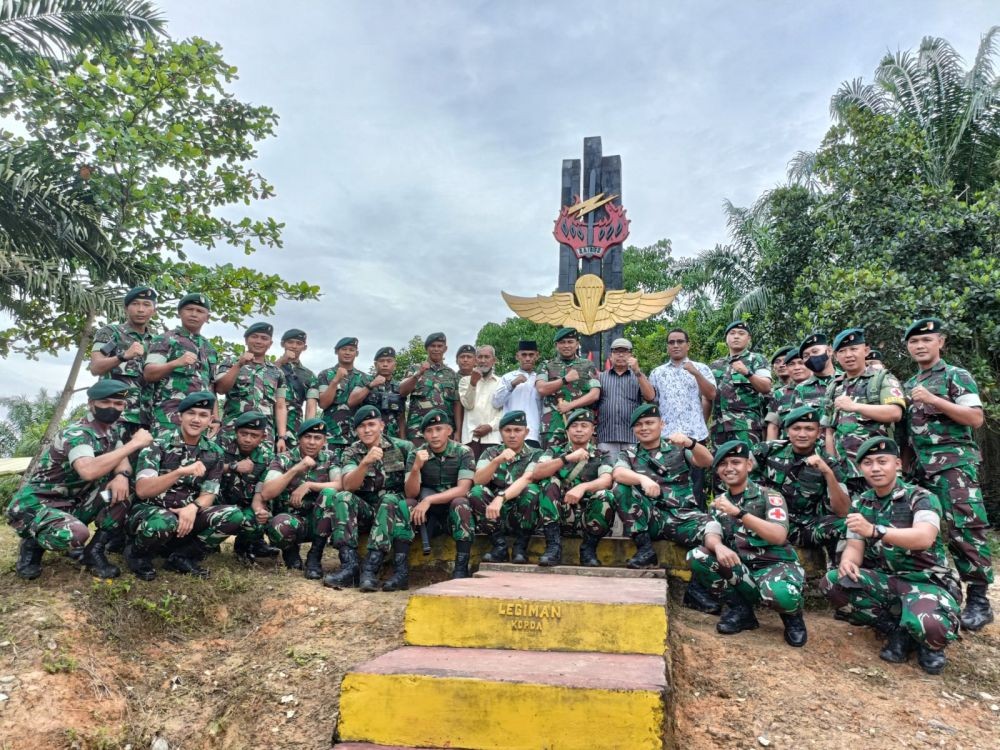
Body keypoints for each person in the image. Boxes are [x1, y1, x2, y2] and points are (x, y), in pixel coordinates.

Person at [820, 437, 961, 674]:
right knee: (834, 582)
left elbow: (924, 537)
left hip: (927, 583)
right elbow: (854, 545)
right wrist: (848, 562)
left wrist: (876, 531)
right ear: (861, 469)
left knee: (931, 626)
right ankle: (897, 630)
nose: (875, 468)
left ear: (897, 464)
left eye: (882, 461)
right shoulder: (861, 502)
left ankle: (928, 644)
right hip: (889, 581)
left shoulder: (920, 497)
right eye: (868, 463)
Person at [7, 381, 153, 580]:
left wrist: (121, 476)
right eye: (106, 402)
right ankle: (32, 545)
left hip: (74, 503)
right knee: (76, 534)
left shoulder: (111, 432)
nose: (113, 408)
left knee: (125, 491)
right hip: (37, 505)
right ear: (91, 404)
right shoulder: (78, 433)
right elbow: (88, 470)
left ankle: (93, 552)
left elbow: (123, 463)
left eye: (119, 404)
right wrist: (134, 444)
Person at [902, 317, 993, 631]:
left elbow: (975, 418)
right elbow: (906, 434)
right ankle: (938, 591)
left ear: (940, 342)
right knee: (924, 532)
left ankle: (979, 600)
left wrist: (935, 400)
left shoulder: (957, 376)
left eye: (926, 340)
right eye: (914, 342)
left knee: (964, 529)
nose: (920, 346)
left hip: (953, 466)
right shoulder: (908, 385)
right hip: (919, 470)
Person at [688, 441, 808, 647]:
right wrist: (718, 546)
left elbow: (779, 536)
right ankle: (741, 611)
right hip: (743, 570)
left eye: (736, 462)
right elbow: (711, 532)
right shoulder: (719, 502)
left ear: (749, 465)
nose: (729, 468)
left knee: (780, 595)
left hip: (775, 567)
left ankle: (792, 616)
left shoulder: (770, 496)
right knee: (697, 556)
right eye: (723, 464)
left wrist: (740, 513)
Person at [611, 403, 720, 613]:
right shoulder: (629, 454)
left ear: (662, 424)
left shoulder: (678, 448)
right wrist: (642, 479)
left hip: (683, 517)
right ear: (634, 430)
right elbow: (618, 474)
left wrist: (691, 443)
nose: (644, 428)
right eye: (639, 425)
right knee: (621, 488)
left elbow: (707, 462)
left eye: (649, 423)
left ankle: (697, 591)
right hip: (651, 518)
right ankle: (645, 550)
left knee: (714, 529)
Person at [128, 392, 245, 580]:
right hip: (151, 511)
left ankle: (181, 556)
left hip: (188, 515)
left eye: (203, 415)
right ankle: (138, 554)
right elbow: (143, 491)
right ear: (180, 416)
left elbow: (209, 492)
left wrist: (193, 508)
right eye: (191, 413)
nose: (196, 420)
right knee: (163, 521)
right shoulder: (158, 444)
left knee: (234, 515)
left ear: (211, 420)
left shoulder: (214, 452)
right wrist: (179, 472)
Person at [322, 405, 415, 592]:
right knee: (343, 497)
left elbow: (412, 490)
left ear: (381, 425)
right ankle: (350, 566)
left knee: (389, 499)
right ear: (356, 430)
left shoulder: (403, 448)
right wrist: (365, 462)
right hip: (365, 510)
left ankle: (371, 569)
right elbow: (348, 485)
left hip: (392, 511)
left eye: (371, 424)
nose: (367, 430)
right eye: (362, 426)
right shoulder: (351, 452)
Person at [753, 405, 849, 565]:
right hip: (768, 521)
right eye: (796, 428)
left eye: (809, 429)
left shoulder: (829, 462)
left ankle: (837, 578)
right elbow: (739, 473)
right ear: (787, 431)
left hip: (804, 528)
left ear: (818, 433)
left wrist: (827, 473)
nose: (802, 434)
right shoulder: (768, 450)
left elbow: (843, 510)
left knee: (847, 525)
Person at [256, 418, 341, 578]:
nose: (312, 442)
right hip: (293, 521)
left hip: (320, 522)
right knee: (278, 526)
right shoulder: (283, 459)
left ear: (324, 440)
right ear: (299, 438)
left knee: (330, 493)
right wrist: (296, 469)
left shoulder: (330, 458)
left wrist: (310, 485)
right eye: (307, 437)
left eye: (317, 438)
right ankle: (290, 551)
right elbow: (267, 493)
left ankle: (314, 557)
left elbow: (340, 484)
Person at [530, 409, 615, 567]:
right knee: (549, 482)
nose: (579, 430)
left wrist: (583, 487)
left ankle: (588, 549)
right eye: (574, 425)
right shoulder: (554, 451)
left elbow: (607, 480)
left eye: (584, 425)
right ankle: (553, 547)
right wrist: (566, 458)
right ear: (567, 430)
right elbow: (537, 473)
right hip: (560, 515)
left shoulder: (602, 454)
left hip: (587, 517)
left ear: (592, 430)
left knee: (605, 495)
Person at [823, 328, 905, 490]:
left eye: (854, 349)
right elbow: (829, 430)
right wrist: (832, 465)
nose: (848, 355)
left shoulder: (881, 378)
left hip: (878, 469)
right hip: (845, 471)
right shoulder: (834, 386)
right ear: (836, 356)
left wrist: (855, 406)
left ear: (866, 351)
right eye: (842, 351)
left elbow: (895, 413)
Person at [404, 409, 476, 578]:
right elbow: (411, 493)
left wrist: (429, 499)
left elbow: (463, 489)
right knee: (406, 505)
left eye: (439, 429)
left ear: (449, 431)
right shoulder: (417, 454)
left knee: (461, 503)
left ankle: (461, 567)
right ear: (423, 435)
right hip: (429, 516)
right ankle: (401, 569)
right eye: (429, 431)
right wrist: (416, 468)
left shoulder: (463, 452)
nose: (434, 435)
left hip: (453, 511)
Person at [649, 328, 716, 504]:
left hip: (695, 437)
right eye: (671, 342)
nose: (676, 345)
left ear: (688, 345)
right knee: (667, 485)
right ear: (667, 347)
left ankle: (698, 524)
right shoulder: (657, 372)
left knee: (696, 486)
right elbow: (652, 401)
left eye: (680, 341)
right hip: (667, 439)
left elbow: (711, 395)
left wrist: (695, 373)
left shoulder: (701, 368)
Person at [470, 411, 542, 564]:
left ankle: (520, 548)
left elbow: (527, 478)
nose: (512, 435)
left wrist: (500, 498)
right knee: (476, 492)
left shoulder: (536, 454)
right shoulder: (490, 452)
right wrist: (496, 461)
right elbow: (478, 480)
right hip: (495, 516)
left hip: (522, 515)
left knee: (532, 490)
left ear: (526, 432)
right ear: (501, 432)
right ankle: (499, 547)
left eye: (517, 430)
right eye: (507, 430)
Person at [143, 293, 219, 433]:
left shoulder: (210, 348)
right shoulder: (166, 339)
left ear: (207, 318)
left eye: (200, 311)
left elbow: (210, 386)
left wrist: (215, 419)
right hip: (169, 416)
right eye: (189, 309)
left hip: (200, 420)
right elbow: (149, 373)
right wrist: (175, 363)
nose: (194, 314)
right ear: (179, 313)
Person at [89, 285, 157, 440]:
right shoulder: (111, 333)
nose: (140, 309)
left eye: (146, 305)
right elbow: (95, 367)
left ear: (154, 311)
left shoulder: (157, 342)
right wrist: (123, 356)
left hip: (147, 420)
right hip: (115, 417)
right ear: (126, 308)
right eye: (135, 304)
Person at [216, 411, 277, 565]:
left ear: (263, 437)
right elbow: (204, 470)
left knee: (258, 516)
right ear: (236, 432)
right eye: (243, 434)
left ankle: (245, 546)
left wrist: (259, 511)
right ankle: (201, 545)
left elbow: (260, 492)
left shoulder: (267, 458)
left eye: (254, 435)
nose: (248, 439)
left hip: (246, 503)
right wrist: (233, 466)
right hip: (217, 503)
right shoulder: (219, 446)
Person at [215, 322, 289, 447]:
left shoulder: (277, 372)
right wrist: (239, 365)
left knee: (263, 466)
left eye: (264, 338)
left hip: (264, 435)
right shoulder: (230, 363)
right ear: (246, 340)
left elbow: (280, 406)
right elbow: (221, 389)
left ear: (270, 344)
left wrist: (281, 437)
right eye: (254, 337)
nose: (259, 341)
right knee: (228, 465)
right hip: (232, 431)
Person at [535, 328, 601, 448]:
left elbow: (595, 394)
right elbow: (541, 389)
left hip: (581, 426)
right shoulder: (546, 365)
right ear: (556, 345)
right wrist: (565, 380)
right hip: (553, 426)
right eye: (562, 342)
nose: (566, 346)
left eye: (570, 342)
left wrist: (570, 405)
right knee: (550, 461)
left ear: (577, 344)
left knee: (584, 462)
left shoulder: (587, 365)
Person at [709, 321, 771, 447]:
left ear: (748, 339)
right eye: (732, 333)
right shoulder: (715, 365)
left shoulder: (757, 359)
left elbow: (766, 387)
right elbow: (707, 397)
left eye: (741, 333)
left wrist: (747, 373)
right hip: (719, 428)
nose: (736, 336)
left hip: (746, 427)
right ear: (726, 338)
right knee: (720, 465)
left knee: (748, 464)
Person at [595, 337, 657, 461]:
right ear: (611, 355)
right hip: (607, 436)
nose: (621, 355)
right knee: (608, 473)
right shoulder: (601, 377)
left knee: (631, 475)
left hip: (632, 436)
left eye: (625, 351)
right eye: (617, 352)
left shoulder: (638, 376)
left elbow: (650, 397)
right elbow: (593, 405)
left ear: (631, 355)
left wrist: (638, 372)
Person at [400, 332, 461, 446]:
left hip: (445, 430)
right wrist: (418, 374)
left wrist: (458, 431)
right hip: (418, 431)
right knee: (418, 462)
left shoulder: (452, 374)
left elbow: (457, 404)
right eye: (433, 346)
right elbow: (402, 392)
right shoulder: (414, 368)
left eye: (439, 346)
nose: (436, 349)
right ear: (426, 348)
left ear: (445, 348)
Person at [317, 336, 367, 456]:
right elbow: (323, 404)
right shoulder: (325, 374)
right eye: (344, 349)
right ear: (336, 351)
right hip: (331, 435)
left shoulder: (365, 378)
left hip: (356, 437)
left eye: (351, 350)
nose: (348, 352)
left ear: (357, 353)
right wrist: (336, 380)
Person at [492, 340, 544, 447]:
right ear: (517, 356)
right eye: (524, 355)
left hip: (533, 434)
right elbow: (496, 402)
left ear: (537, 356)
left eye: (531, 355)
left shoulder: (541, 379)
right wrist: (512, 384)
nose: (528, 358)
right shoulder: (508, 377)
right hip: (511, 433)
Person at [274, 329, 319, 447]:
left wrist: (308, 430)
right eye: (290, 342)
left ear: (304, 347)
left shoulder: (309, 375)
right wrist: (281, 361)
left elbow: (311, 407)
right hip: (268, 422)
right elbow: (264, 379)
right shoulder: (270, 367)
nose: (294, 346)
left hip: (294, 426)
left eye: (299, 343)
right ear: (282, 344)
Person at [458, 345, 503, 460]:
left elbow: (504, 411)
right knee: (470, 474)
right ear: (476, 360)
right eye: (480, 357)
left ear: (494, 360)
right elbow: (468, 405)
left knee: (490, 474)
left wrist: (490, 426)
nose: (483, 360)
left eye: (487, 357)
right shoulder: (465, 381)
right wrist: (473, 383)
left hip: (493, 437)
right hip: (470, 438)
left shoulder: (501, 382)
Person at [349, 346, 405, 438]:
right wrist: (371, 385)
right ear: (375, 364)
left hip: (391, 438)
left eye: (389, 361)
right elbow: (351, 402)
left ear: (395, 365)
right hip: (368, 436)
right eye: (382, 361)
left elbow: (401, 417)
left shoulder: (398, 386)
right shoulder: (365, 380)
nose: (385, 364)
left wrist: (403, 439)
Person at [765, 345, 810, 440]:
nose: (797, 367)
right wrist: (771, 449)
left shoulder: (824, 387)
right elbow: (773, 427)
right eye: (791, 364)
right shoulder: (778, 394)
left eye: (801, 363)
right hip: (787, 449)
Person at [794, 332, 836, 410]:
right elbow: (798, 420)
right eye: (806, 356)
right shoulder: (801, 389)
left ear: (829, 351)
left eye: (815, 351)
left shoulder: (848, 379)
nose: (811, 357)